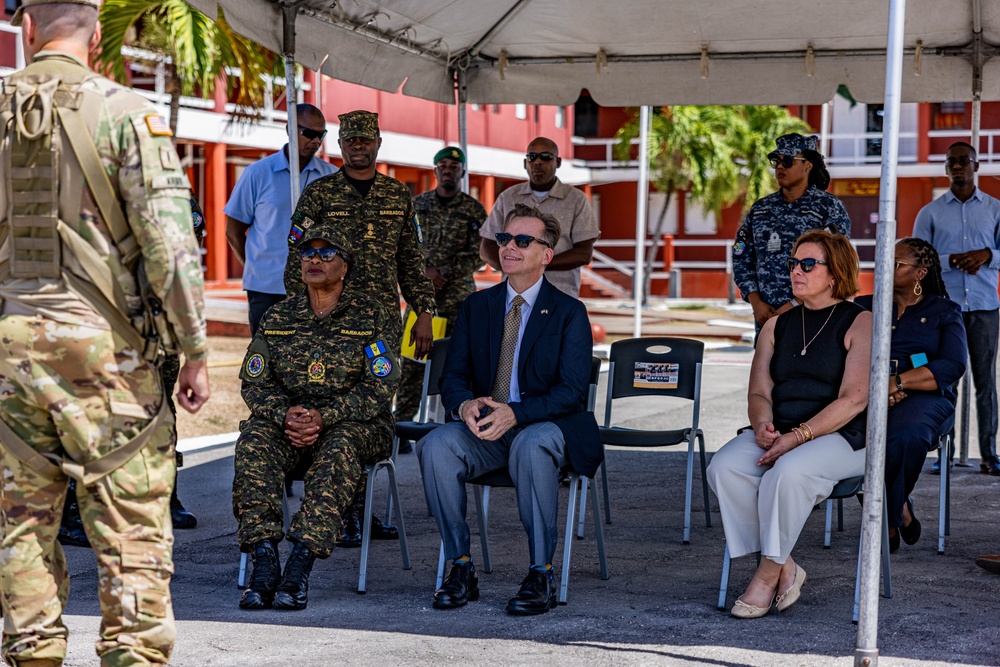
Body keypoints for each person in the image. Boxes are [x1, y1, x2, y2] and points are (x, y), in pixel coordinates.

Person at [0, 1, 211, 664]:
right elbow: (171, 246)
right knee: (130, 535)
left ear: (27, 27)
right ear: (94, 30)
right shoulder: (125, 112)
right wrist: (196, 350)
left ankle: (32, 653)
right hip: (108, 357)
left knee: (19, 531)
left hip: (9, 352)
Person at [417, 204, 602, 616]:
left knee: (532, 444)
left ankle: (541, 573)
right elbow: (454, 376)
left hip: (547, 428)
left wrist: (516, 413)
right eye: (504, 239)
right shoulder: (476, 306)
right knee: (436, 446)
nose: (509, 247)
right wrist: (463, 404)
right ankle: (461, 566)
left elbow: (571, 392)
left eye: (522, 240)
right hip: (489, 431)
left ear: (547, 255)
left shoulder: (570, 312)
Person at [282, 110, 437, 546]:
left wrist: (424, 310)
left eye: (364, 141)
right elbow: (299, 261)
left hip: (382, 325)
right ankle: (332, 514)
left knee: (371, 415)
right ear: (342, 145)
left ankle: (360, 513)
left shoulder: (397, 195)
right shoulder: (318, 193)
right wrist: (303, 318)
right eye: (350, 141)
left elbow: (410, 259)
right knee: (331, 410)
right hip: (328, 327)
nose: (357, 147)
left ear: (377, 144)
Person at [235, 227, 400, 611]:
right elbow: (255, 383)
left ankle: (298, 567)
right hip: (291, 425)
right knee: (254, 440)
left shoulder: (371, 316)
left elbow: (380, 387)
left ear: (345, 265)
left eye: (327, 253)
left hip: (355, 425)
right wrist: (284, 414)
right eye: (307, 252)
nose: (315, 259)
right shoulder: (277, 316)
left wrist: (324, 417)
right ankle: (263, 562)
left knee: (341, 446)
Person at [707, 229, 870, 618]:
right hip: (780, 429)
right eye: (794, 263)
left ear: (834, 274)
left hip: (843, 435)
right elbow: (759, 393)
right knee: (724, 467)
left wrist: (798, 437)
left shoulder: (860, 321)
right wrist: (763, 425)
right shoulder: (777, 324)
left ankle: (765, 576)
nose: (796, 270)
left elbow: (855, 398)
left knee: (788, 473)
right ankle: (787, 565)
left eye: (808, 264)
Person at [855, 239, 967, 552]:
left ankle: (887, 519)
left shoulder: (944, 311)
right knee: (850, 432)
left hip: (927, 397)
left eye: (896, 263)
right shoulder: (865, 307)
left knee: (906, 434)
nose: (885, 267)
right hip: (868, 391)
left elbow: (952, 364)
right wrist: (878, 387)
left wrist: (898, 383)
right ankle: (900, 509)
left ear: (920, 272)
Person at [913, 141, 1000, 476]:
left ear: (976, 165)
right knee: (945, 381)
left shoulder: (994, 209)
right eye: (952, 162)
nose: (958, 166)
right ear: (946, 168)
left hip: (984, 307)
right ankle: (944, 453)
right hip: (944, 311)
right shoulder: (930, 213)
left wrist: (987, 255)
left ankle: (990, 455)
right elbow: (915, 258)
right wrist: (949, 260)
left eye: (964, 160)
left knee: (985, 382)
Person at [225, 103, 337, 336]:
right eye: (309, 133)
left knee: (312, 360)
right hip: (267, 288)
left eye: (321, 135)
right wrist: (256, 267)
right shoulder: (258, 173)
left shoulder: (331, 178)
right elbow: (233, 230)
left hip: (317, 287)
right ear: (290, 129)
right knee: (266, 360)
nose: (316, 141)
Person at [394, 146, 487, 425]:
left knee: (459, 361)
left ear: (462, 172)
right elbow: (401, 245)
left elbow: (480, 252)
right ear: (435, 170)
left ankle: (459, 420)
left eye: (453, 167)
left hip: (458, 300)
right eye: (442, 166)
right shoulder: (417, 205)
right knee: (412, 362)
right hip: (422, 299)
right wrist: (424, 273)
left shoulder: (473, 210)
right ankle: (403, 423)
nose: (448, 171)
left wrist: (442, 272)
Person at [733, 133, 852, 332]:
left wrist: (794, 305)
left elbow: (838, 261)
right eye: (776, 161)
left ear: (808, 165)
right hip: (767, 317)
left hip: (813, 315)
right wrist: (755, 302)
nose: (780, 167)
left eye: (788, 160)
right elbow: (741, 257)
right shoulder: (760, 209)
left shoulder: (827, 207)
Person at [479, 137, 599, 297]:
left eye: (546, 157)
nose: (537, 162)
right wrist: (515, 266)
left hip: (559, 297)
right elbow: (486, 248)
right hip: (514, 297)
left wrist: (534, 265)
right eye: (532, 157)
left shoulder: (576, 199)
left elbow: (584, 253)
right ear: (525, 163)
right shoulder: (508, 197)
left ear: (558, 162)